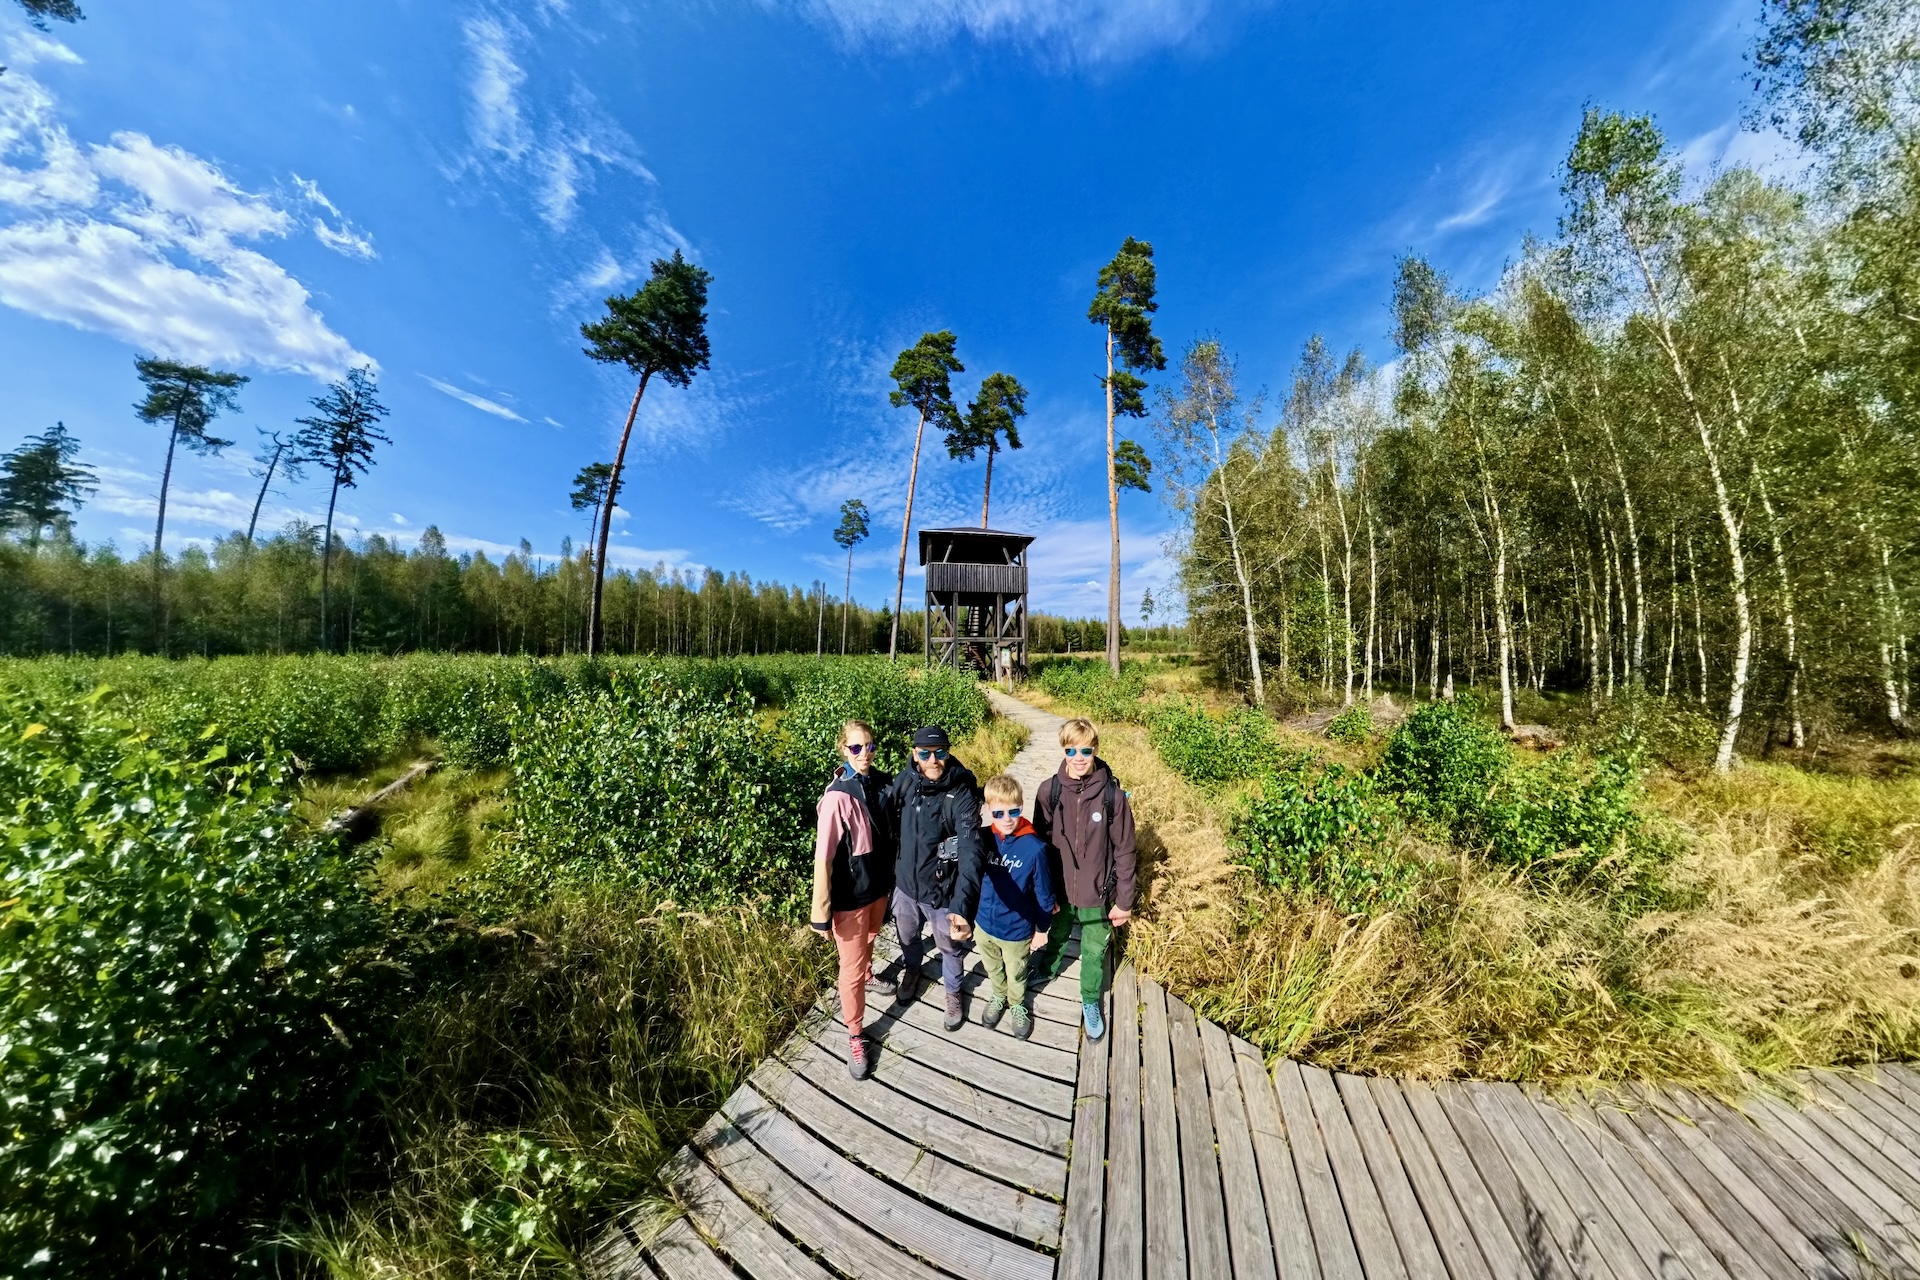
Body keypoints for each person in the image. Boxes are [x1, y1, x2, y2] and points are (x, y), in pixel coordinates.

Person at [1031, 717, 1136, 1042]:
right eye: (1071, 749)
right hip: (1061, 891)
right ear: (1064, 749)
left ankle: (1090, 1001)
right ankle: (1047, 969)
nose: (1078, 757)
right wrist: (1042, 893)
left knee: (1093, 952)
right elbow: (1040, 845)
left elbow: (1126, 850)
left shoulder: (1112, 797)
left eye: (1086, 750)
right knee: (1058, 936)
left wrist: (1124, 901)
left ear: (1095, 750)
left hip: (1098, 893)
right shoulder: (1050, 790)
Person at [809, 719, 896, 1080]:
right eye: (857, 747)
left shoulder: (880, 782)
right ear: (844, 750)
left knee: (871, 942)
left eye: (870, 746)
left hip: (878, 888)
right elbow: (824, 858)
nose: (865, 753)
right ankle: (856, 1033)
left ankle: (870, 973)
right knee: (849, 970)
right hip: (850, 898)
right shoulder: (836, 797)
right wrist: (821, 913)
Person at [887, 725, 984, 1031]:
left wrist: (962, 907)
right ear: (914, 753)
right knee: (908, 937)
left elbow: (971, 852)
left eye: (940, 752)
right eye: (925, 753)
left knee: (950, 947)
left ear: (948, 751)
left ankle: (953, 992)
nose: (933, 760)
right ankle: (913, 970)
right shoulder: (903, 783)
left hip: (942, 892)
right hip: (905, 887)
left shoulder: (961, 795)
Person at [973, 774, 1053, 1039]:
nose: (1006, 818)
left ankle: (1017, 1004)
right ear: (987, 810)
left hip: (1017, 930)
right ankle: (998, 995)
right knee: (993, 966)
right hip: (983, 923)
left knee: (1017, 972)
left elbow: (1045, 894)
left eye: (1014, 811)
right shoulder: (981, 840)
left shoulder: (1035, 847)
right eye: (998, 812)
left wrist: (1042, 929)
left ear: (1022, 806)